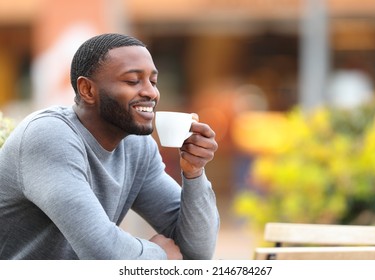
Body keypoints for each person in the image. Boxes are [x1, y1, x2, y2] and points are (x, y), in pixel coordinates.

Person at [0, 33, 219, 260]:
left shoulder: (136, 146)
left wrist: (194, 173)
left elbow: (198, 250)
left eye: (153, 82)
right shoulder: (49, 137)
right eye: (133, 81)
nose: (151, 92)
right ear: (87, 90)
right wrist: (161, 256)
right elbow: (103, 251)